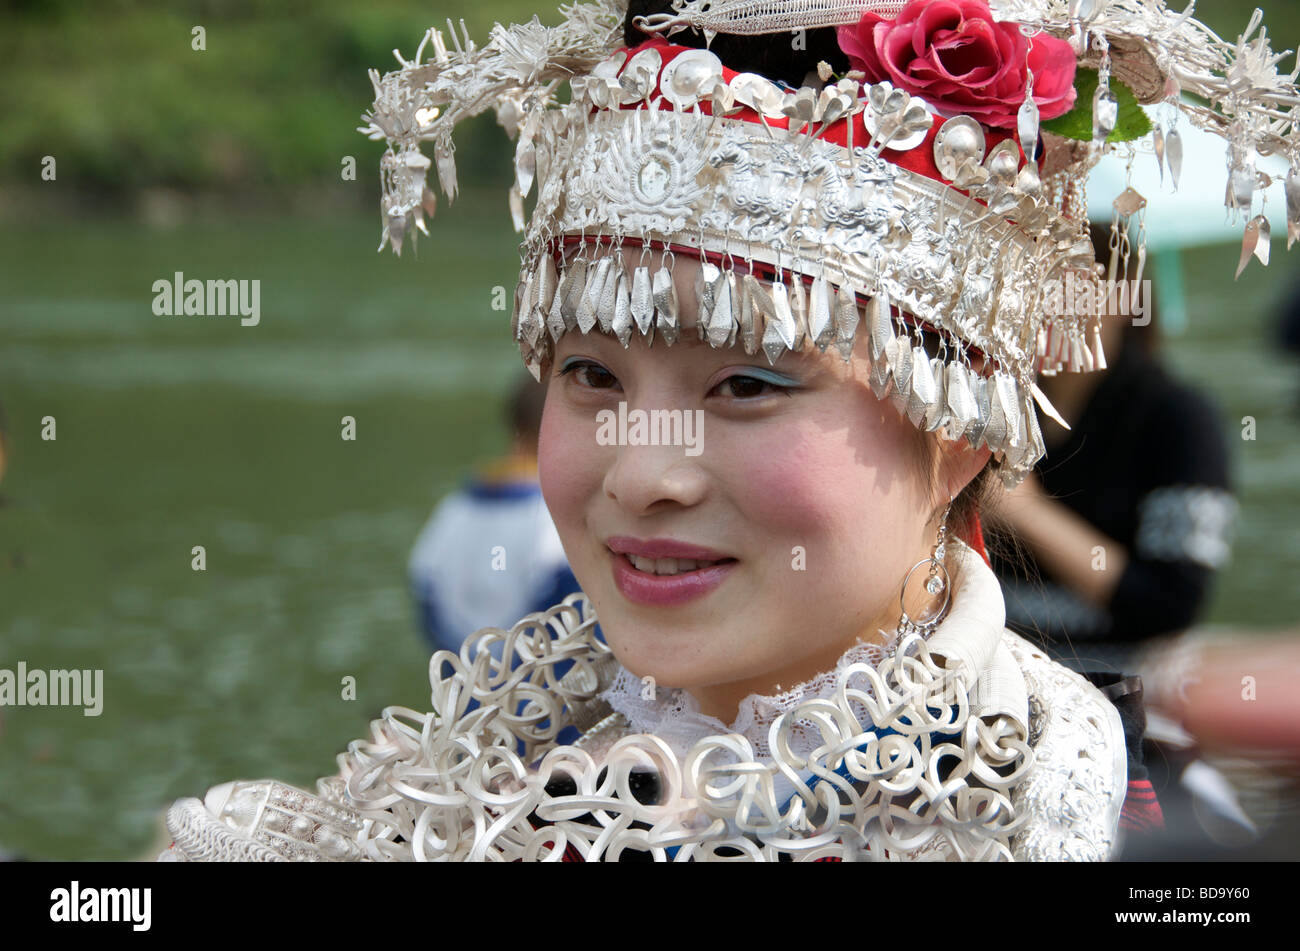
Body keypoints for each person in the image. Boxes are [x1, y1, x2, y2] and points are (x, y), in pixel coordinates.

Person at [156, 0, 1299, 861]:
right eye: (591, 372)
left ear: (956, 432)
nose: (643, 474)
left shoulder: (1127, 829)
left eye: (748, 384)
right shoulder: (416, 808)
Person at [988, 221, 1236, 676]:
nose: (1048, 303)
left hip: (1122, 684)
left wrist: (1024, 512)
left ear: (1123, 299)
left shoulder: (1179, 418)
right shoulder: (992, 403)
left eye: (1072, 284)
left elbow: (1168, 606)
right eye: (1033, 279)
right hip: (988, 672)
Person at [407, 373, 579, 655]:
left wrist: (468, 669)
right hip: (538, 687)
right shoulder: (555, 518)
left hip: (461, 681)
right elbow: (565, 615)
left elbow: (426, 588)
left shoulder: (453, 507)